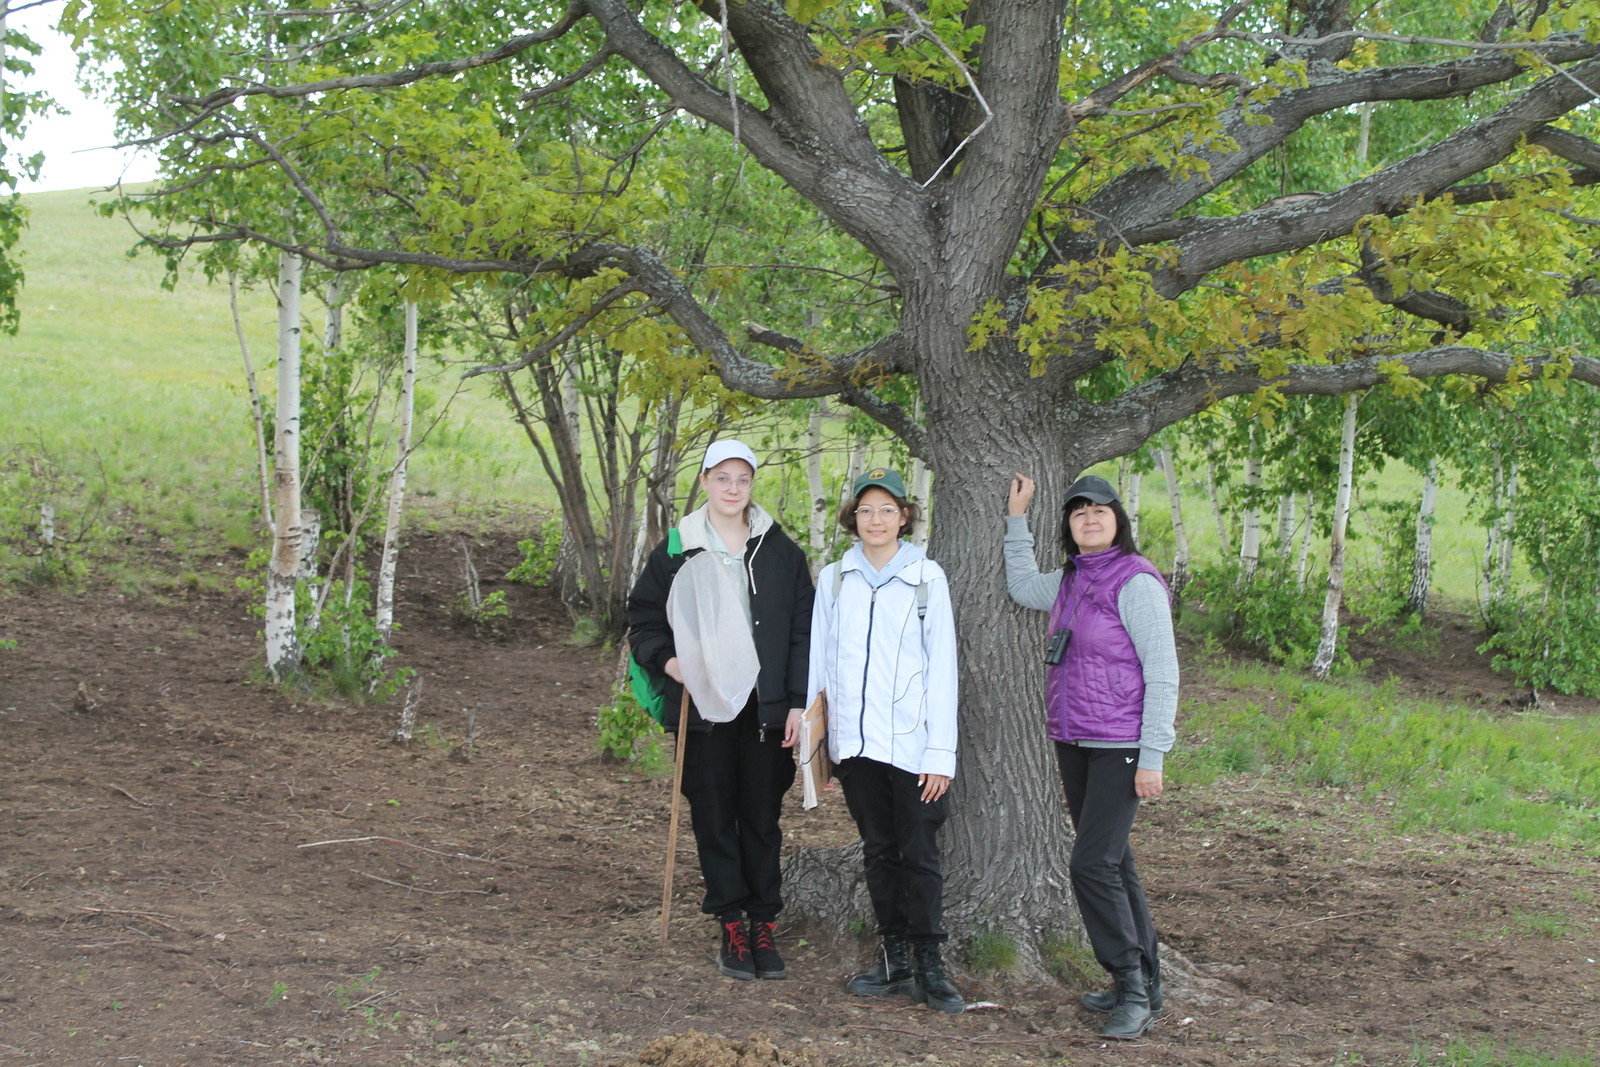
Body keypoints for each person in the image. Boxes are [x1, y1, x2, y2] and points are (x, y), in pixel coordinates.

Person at [627, 440, 815, 981]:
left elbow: (804, 633)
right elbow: (643, 618)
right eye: (723, 478)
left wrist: (798, 703)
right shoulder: (678, 548)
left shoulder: (780, 552)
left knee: (760, 818)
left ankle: (762, 923)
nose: (734, 489)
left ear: (752, 485)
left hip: (766, 709)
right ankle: (730, 922)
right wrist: (669, 662)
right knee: (714, 817)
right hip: (703, 706)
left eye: (743, 480)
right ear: (706, 480)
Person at [1004, 471, 1178, 1040]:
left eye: (1100, 511)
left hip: (1121, 745)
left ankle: (1130, 987)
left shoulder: (1137, 582)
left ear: (1117, 520)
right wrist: (1015, 520)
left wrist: (1153, 754)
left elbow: (1163, 672)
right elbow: (1023, 586)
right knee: (1114, 862)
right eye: (1079, 513)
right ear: (1070, 528)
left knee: (1091, 864)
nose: (1090, 519)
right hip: (1073, 740)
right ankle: (1146, 979)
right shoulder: (1072, 578)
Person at [808, 467, 964, 1014]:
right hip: (856, 748)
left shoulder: (926, 578)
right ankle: (894, 960)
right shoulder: (835, 579)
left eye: (887, 510)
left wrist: (940, 752)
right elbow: (819, 665)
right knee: (878, 851)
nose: (876, 519)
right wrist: (819, 752)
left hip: (913, 747)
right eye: (867, 510)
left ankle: (929, 965)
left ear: (904, 516)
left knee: (919, 854)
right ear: (855, 517)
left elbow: (942, 667)